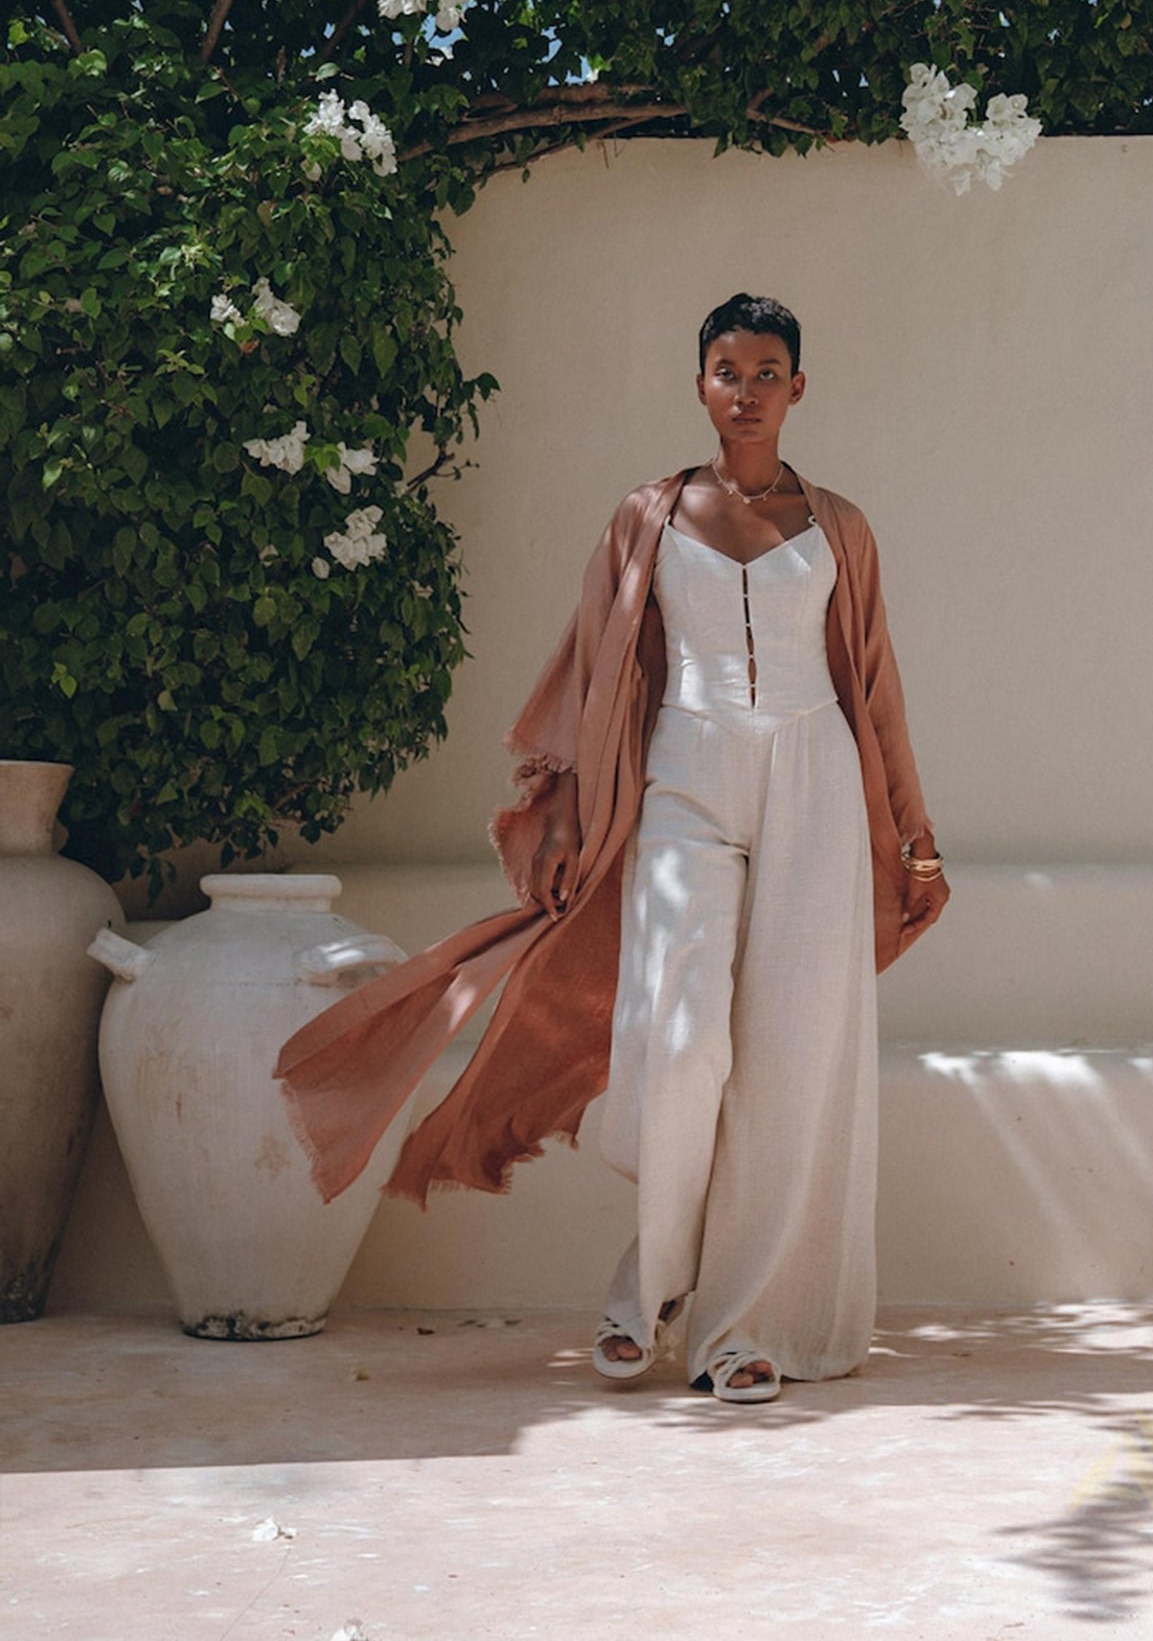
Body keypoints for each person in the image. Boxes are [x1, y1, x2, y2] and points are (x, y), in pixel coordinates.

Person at [274, 293, 948, 1406]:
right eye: (726, 368)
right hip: (684, 770)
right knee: (680, 1045)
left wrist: (912, 831)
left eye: (768, 369)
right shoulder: (648, 514)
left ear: (798, 388)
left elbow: (874, 690)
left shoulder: (840, 526)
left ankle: (730, 1324)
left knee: (790, 1063)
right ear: (699, 383)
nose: (746, 388)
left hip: (819, 783)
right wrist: (574, 814)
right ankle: (658, 1272)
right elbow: (596, 670)